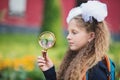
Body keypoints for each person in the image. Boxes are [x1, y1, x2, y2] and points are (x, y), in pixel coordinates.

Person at [37, 1, 115, 80]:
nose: (68, 37)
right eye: (68, 32)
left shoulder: (97, 67)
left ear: (91, 36)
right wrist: (49, 71)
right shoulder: (74, 59)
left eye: (74, 32)